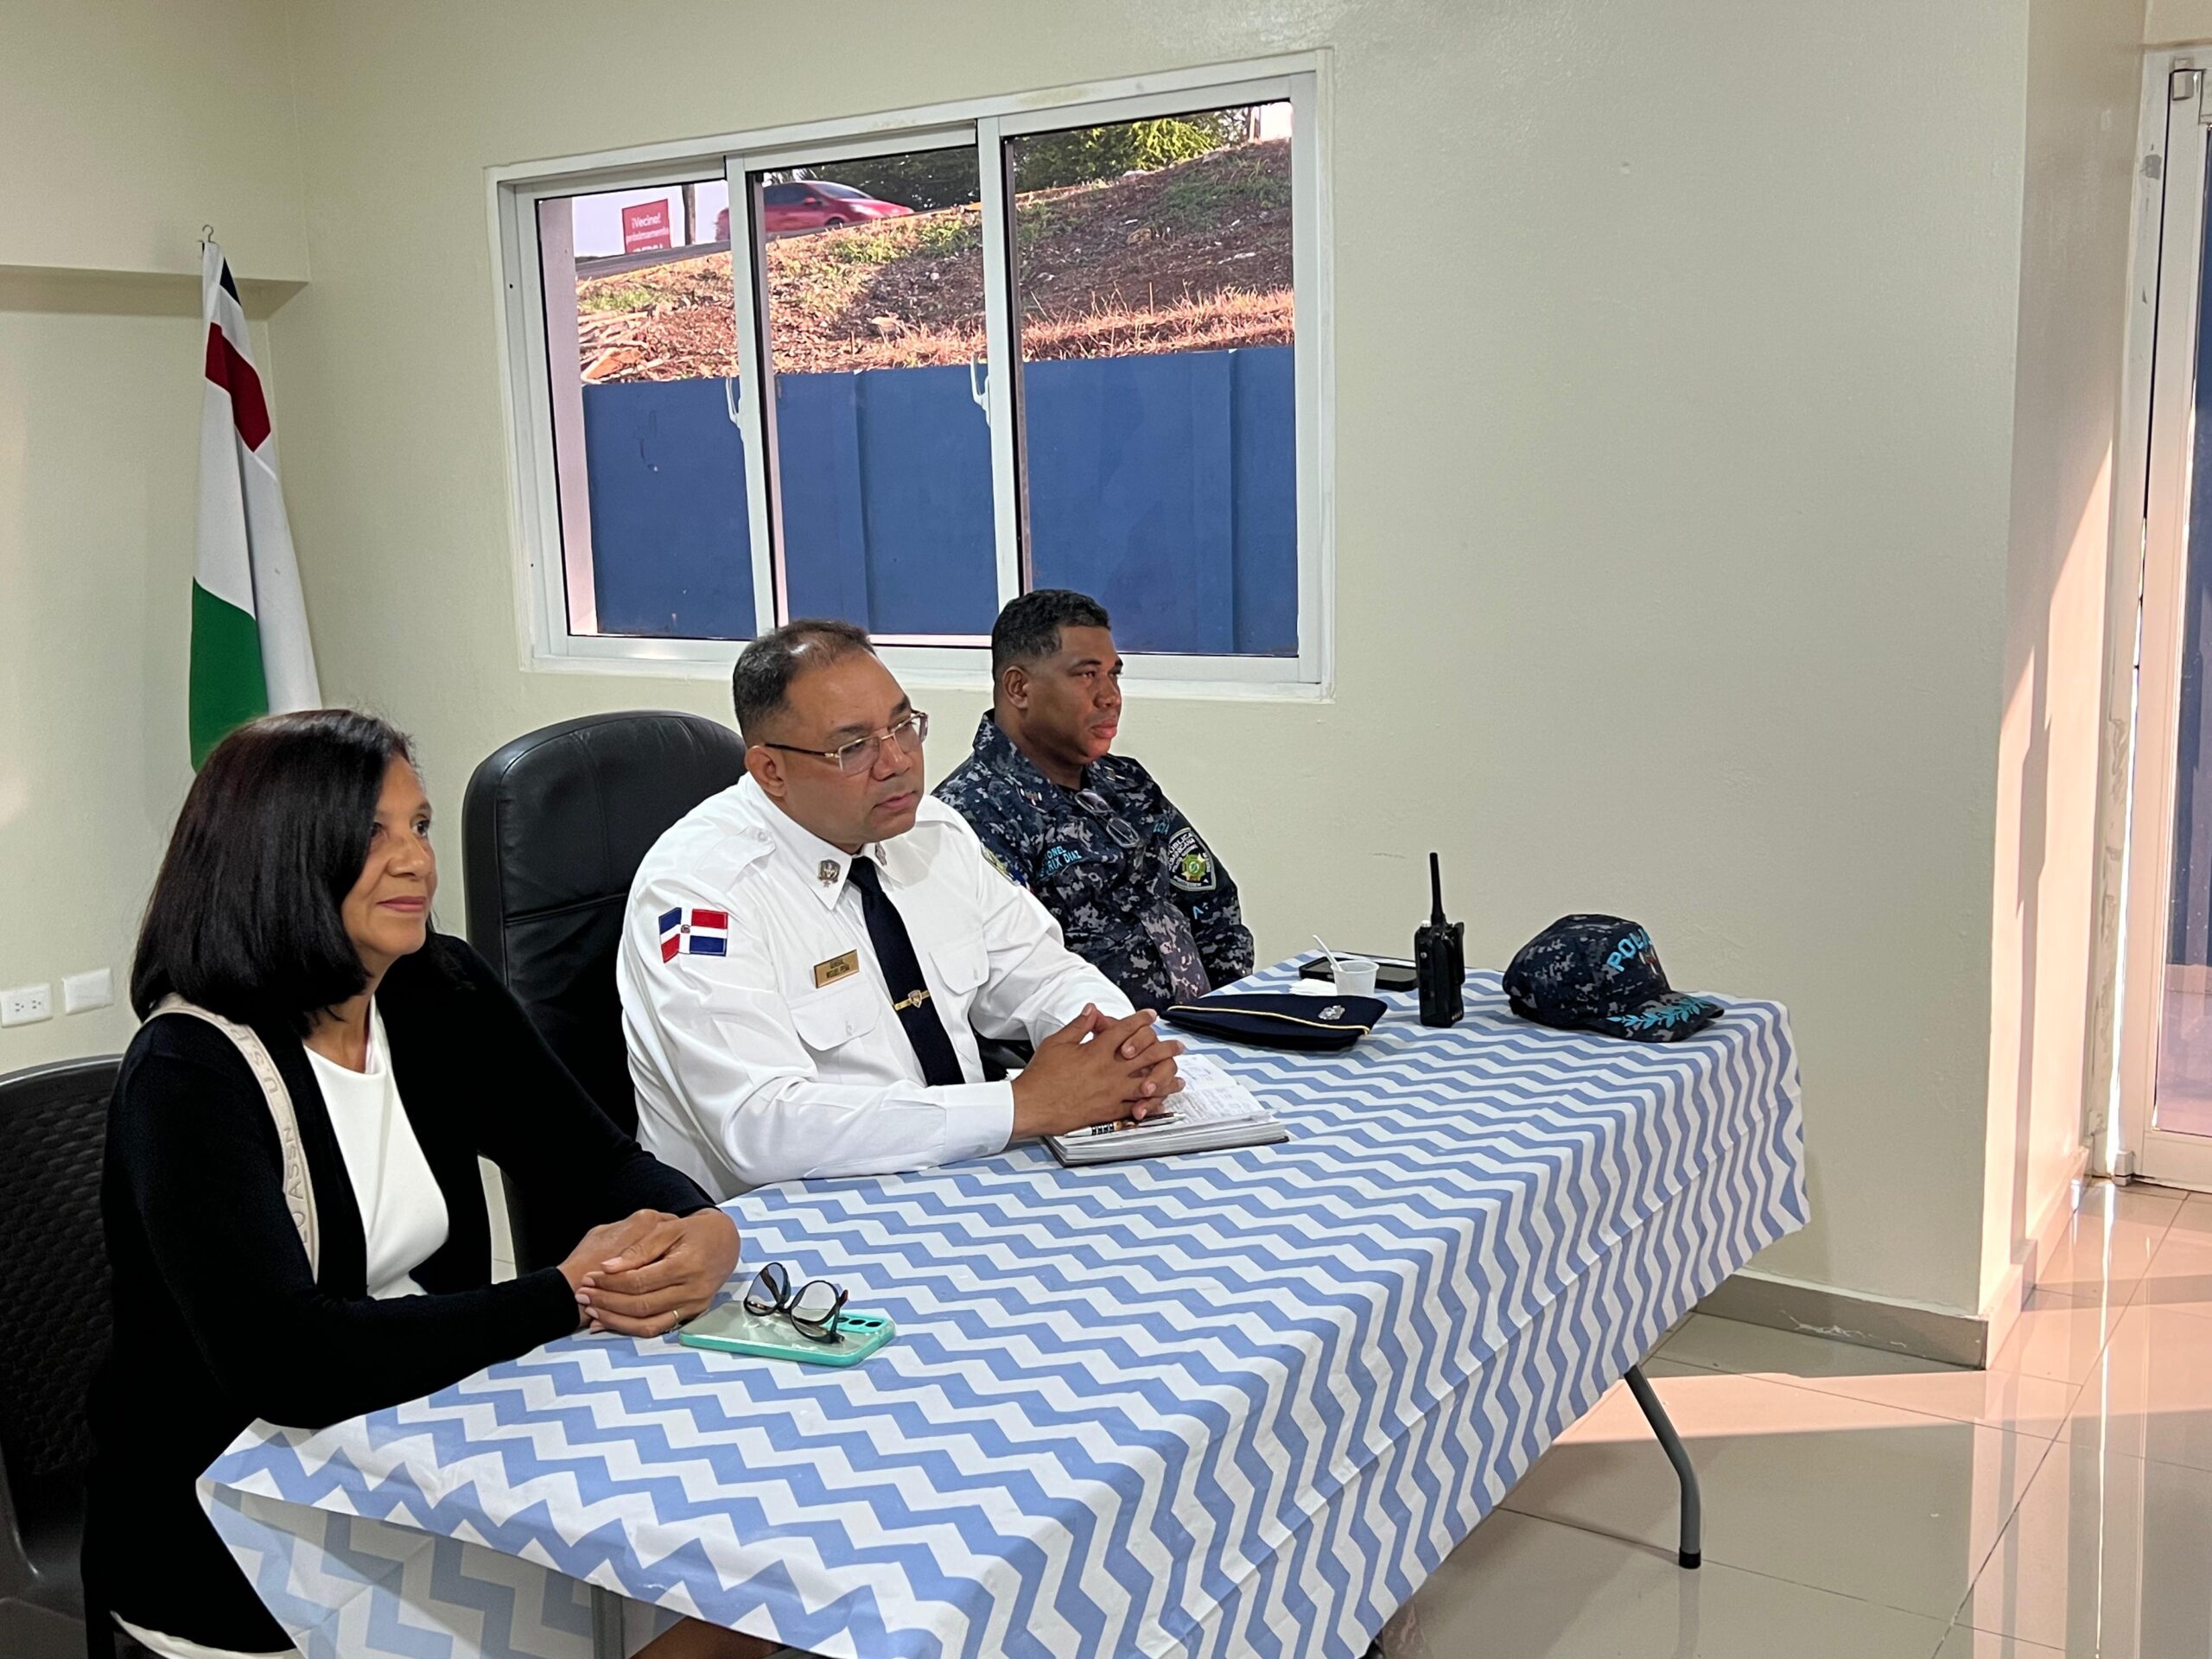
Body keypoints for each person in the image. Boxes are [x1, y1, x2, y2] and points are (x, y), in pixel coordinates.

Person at [84, 711, 751, 1659]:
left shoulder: (436, 987)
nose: (415, 863)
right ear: (279, 857)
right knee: (685, 1616)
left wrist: (702, 1227)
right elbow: (289, 1364)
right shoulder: (191, 1069)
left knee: (731, 1602)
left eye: (422, 825)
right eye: (372, 835)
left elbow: (597, 1162)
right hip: (238, 1515)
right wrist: (564, 1296)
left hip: (427, 1437)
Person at [619, 620, 1184, 1198]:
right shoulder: (700, 894)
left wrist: (1119, 1053)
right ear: (771, 772)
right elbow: (760, 1127)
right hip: (776, 1234)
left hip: (957, 1177)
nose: (897, 762)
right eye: (854, 746)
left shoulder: (930, 833)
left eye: (903, 726)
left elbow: (1042, 974)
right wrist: (1017, 1106)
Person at [934, 589, 1255, 1010]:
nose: (1110, 697)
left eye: (1114, 675)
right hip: (1099, 1057)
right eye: (1087, 675)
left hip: (1203, 1033)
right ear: (1018, 688)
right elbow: (1018, 985)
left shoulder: (1126, 782)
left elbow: (1212, 902)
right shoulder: (969, 815)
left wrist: (1228, 1011)